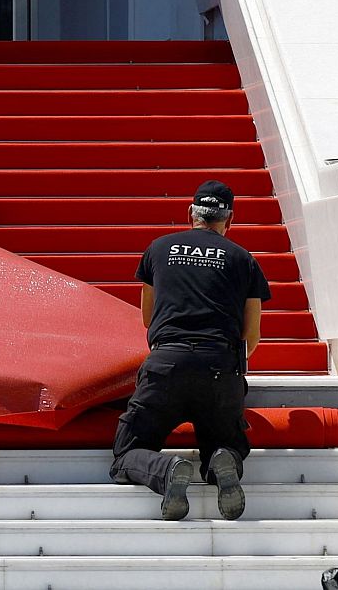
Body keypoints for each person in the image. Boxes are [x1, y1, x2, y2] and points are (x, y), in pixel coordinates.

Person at [109, 180, 269, 521]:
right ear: (230, 220)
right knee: (226, 439)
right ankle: (221, 458)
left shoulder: (159, 248)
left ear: (190, 213)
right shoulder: (244, 259)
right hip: (220, 363)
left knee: (128, 451)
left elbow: (148, 317)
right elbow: (251, 334)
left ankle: (166, 469)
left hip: (168, 360)